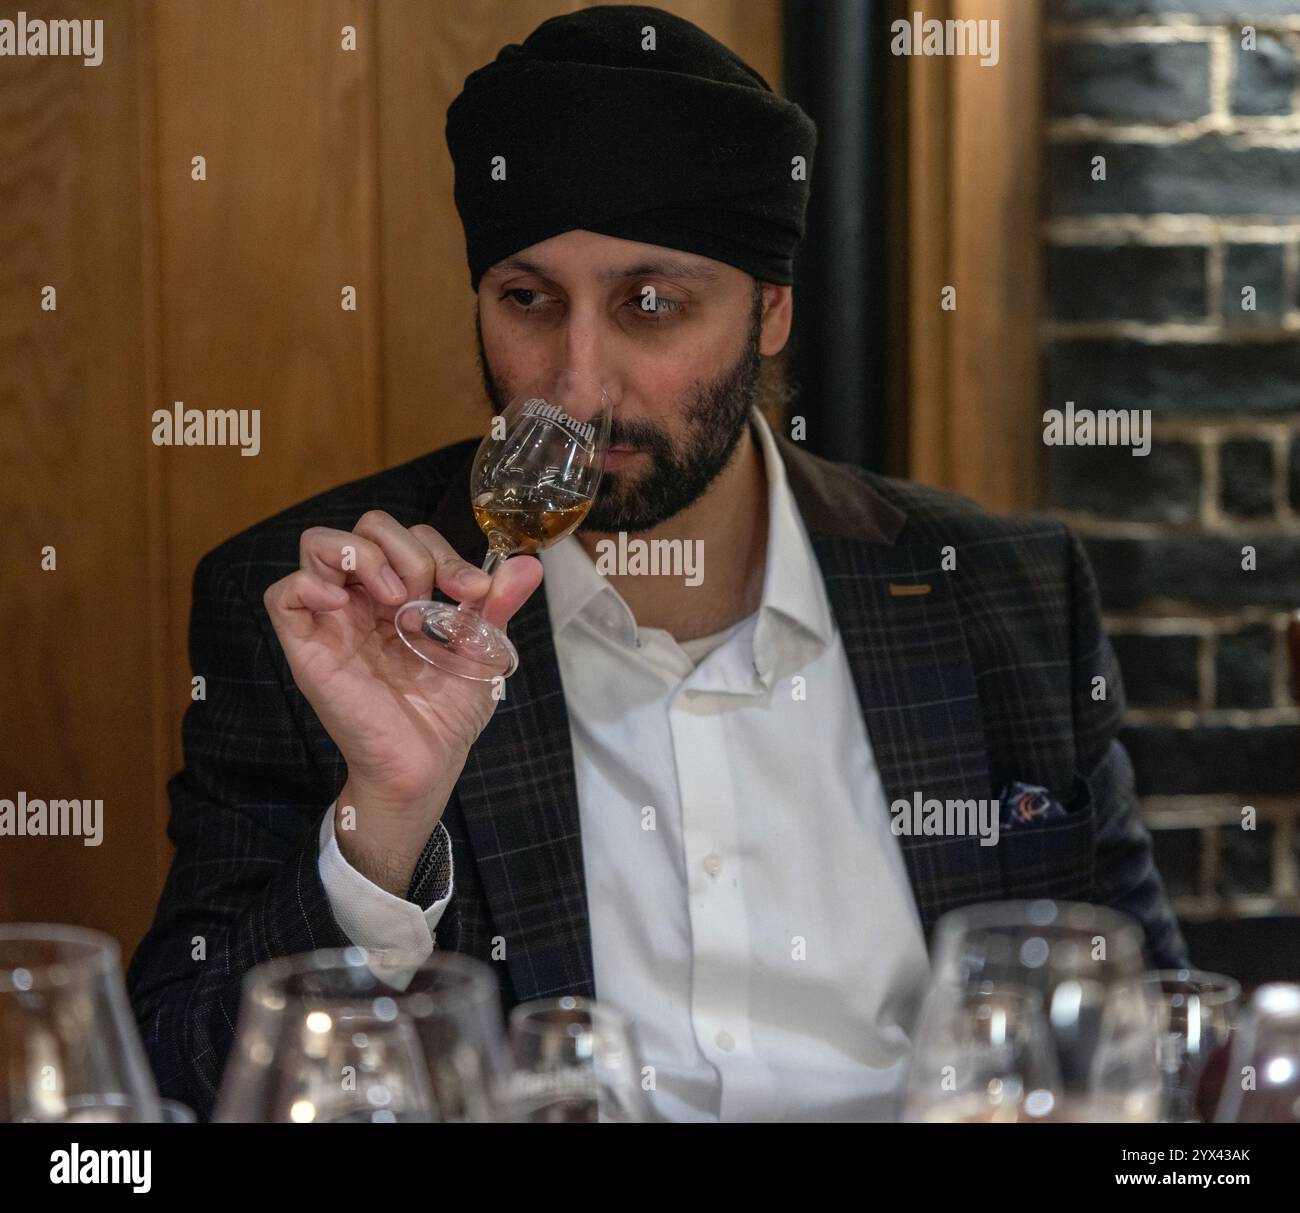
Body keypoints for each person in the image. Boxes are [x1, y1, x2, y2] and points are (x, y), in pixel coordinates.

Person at [126, 4, 1187, 1122]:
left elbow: (1150, 1043)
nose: (578, 385)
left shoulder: (1004, 595)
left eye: (652, 304)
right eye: (528, 301)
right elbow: (175, 1077)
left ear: (769, 311)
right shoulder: (341, 607)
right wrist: (384, 821)